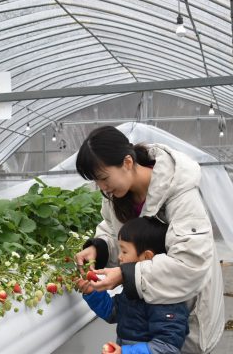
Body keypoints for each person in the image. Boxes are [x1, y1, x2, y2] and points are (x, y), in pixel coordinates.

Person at [74, 126, 224, 354]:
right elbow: (118, 236)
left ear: (127, 162)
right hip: (142, 315)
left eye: (104, 178)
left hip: (183, 311)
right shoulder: (116, 195)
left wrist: (125, 274)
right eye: (97, 182)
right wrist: (99, 248)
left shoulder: (179, 192)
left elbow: (190, 263)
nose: (102, 187)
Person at [77, 217, 189, 354]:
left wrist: (125, 352)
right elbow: (113, 312)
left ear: (147, 257)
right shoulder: (134, 287)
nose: (119, 257)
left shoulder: (166, 300)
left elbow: (167, 348)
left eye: (124, 251)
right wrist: (92, 292)